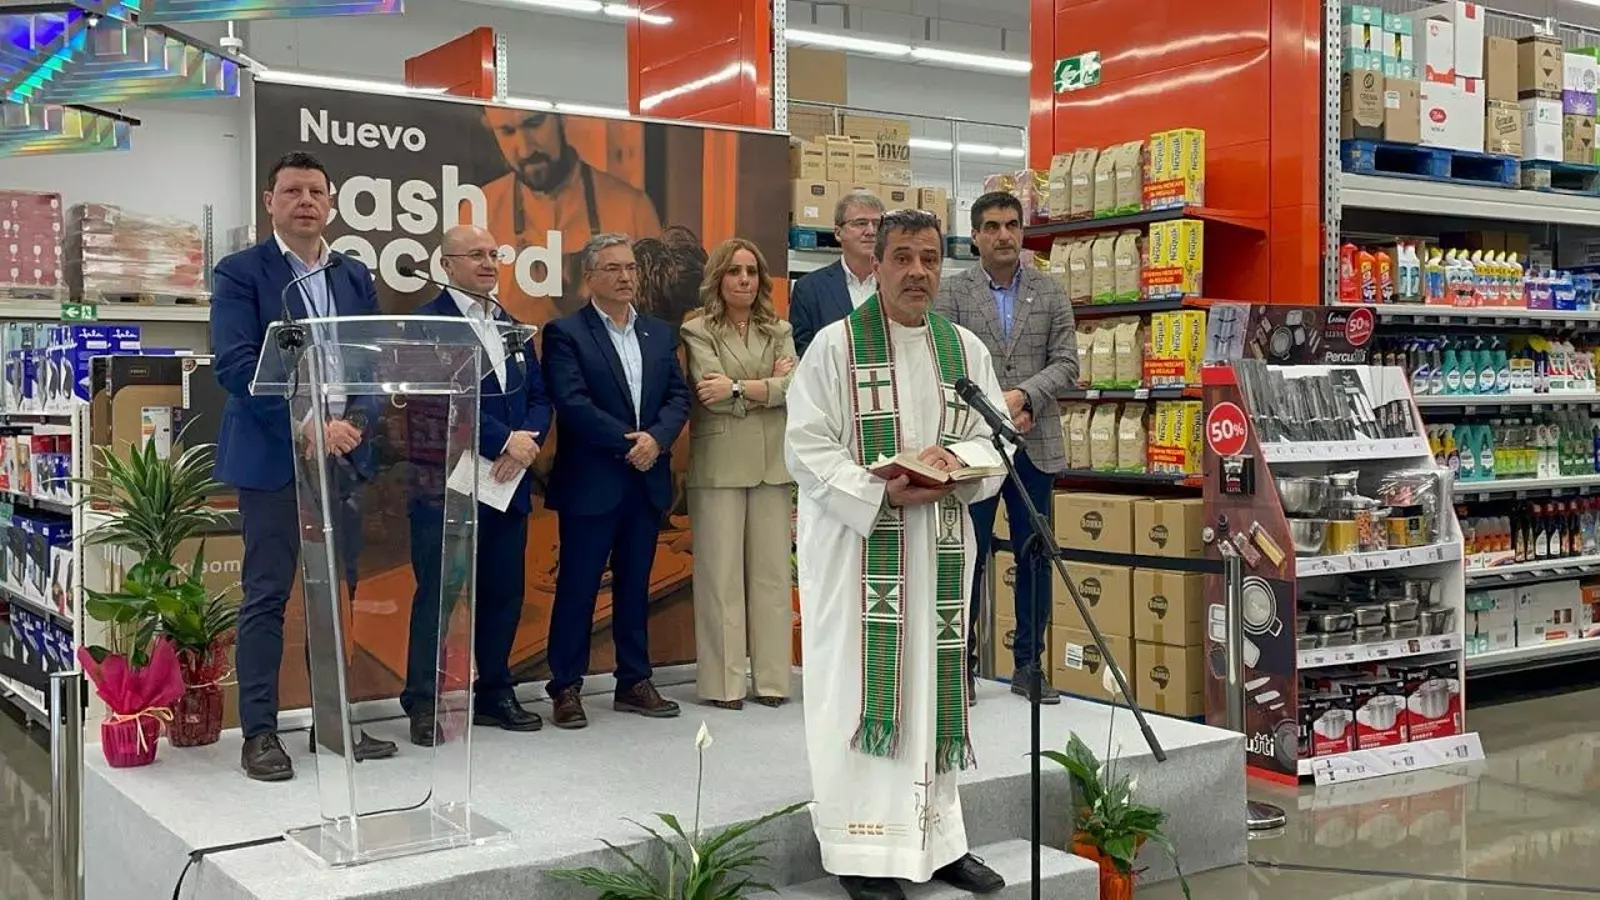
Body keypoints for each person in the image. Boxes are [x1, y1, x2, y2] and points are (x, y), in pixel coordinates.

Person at [785, 209, 1008, 900]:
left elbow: (994, 439)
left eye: (930, 259)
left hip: (938, 547)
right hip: (860, 557)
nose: (918, 272)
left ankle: (939, 842)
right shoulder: (834, 348)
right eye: (903, 257)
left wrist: (959, 466)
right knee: (862, 693)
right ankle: (861, 851)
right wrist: (880, 490)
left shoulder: (963, 349)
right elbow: (805, 446)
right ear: (876, 265)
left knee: (934, 694)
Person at [211, 151, 396, 782]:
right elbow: (236, 366)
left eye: (316, 191)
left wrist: (357, 423)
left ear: (331, 202)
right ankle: (260, 733)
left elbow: (370, 361)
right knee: (268, 595)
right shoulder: (242, 273)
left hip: (342, 457)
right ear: (270, 202)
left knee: (335, 596)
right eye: (292, 192)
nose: (306, 202)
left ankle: (332, 722)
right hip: (275, 458)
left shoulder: (352, 274)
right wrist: (305, 423)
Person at [400, 225, 552, 746]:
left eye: (494, 254)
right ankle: (424, 701)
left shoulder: (509, 323)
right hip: (446, 481)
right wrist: (503, 440)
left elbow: (539, 395)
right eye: (476, 255)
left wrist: (527, 440)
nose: (489, 263)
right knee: (440, 595)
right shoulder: (426, 325)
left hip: (506, 483)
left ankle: (494, 692)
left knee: (503, 592)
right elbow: (433, 401)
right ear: (447, 265)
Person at [541, 233, 692, 729]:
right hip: (593, 480)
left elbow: (678, 397)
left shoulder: (659, 333)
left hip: (646, 480)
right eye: (613, 268)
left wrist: (657, 440)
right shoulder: (566, 333)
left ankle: (633, 681)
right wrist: (632, 444)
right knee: (578, 587)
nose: (626, 276)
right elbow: (572, 402)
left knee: (635, 585)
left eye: (630, 268)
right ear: (590, 278)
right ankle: (566, 686)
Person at [935, 192, 1078, 705]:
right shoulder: (952, 293)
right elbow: (944, 364)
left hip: (1035, 445)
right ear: (975, 236)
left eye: (1012, 225)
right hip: (973, 446)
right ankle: (961, 665)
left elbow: (1067, 363)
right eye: (992, 226)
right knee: (967, 555)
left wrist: (1025, 397)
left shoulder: (1050, 291)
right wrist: (995, 408)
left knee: (1034, 555)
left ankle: (1029, 666)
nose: (1004, 235)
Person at [678, 238, 797, 710]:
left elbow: (795, 387)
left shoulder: (780, 329)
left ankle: (772, 680)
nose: (744, 279)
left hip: (772, 464)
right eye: (734, 271)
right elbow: (710, 393)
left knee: (772, 577)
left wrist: (739, 388)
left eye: (751, 271)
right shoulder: (696, 330)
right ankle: (723, 684)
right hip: (719, 465)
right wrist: (768, 386)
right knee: (720, 577)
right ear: (718, 278)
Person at [479, 108, 663, 321]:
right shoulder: (480, 208)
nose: (526, 150)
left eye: (535, 123)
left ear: (562, 117)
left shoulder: (632, 207)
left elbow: (655, 310)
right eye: (507, 131)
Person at [789, 191, 884, 358]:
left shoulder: (897, 285)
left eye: (877, 224)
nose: (871, 231)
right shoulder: (809, 289)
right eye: (861, 223)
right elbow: (804, 353)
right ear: (838, 233)